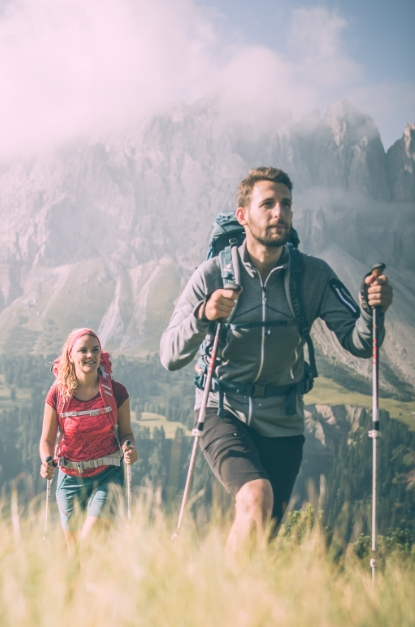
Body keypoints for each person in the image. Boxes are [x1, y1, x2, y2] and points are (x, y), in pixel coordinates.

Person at [160, 166, 393, 552]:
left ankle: (227, 599)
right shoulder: (213, 274)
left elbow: (359, 342)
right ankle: (217, 606)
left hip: (285, 420)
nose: (278, 212)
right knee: (256, 498)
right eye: (267, 204)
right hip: (223, 409)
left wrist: (373, 310)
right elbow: (170, 355)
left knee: (262, 532)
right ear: (243, 215)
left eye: (285, 204)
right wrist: (204, 314)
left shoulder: (312, 274)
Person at [40, 328, 138, 553]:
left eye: (95, 350)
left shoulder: (116, 391)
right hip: (69, 477)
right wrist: (46, 460)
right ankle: (80, 588)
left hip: (108, 474)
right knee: (75, 554)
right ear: (70, 356)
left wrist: (129, 448)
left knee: (89, 542)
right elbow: (46, 439)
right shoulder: (57, 395)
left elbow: (126, 433)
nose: (89, 355)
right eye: (82, 350)